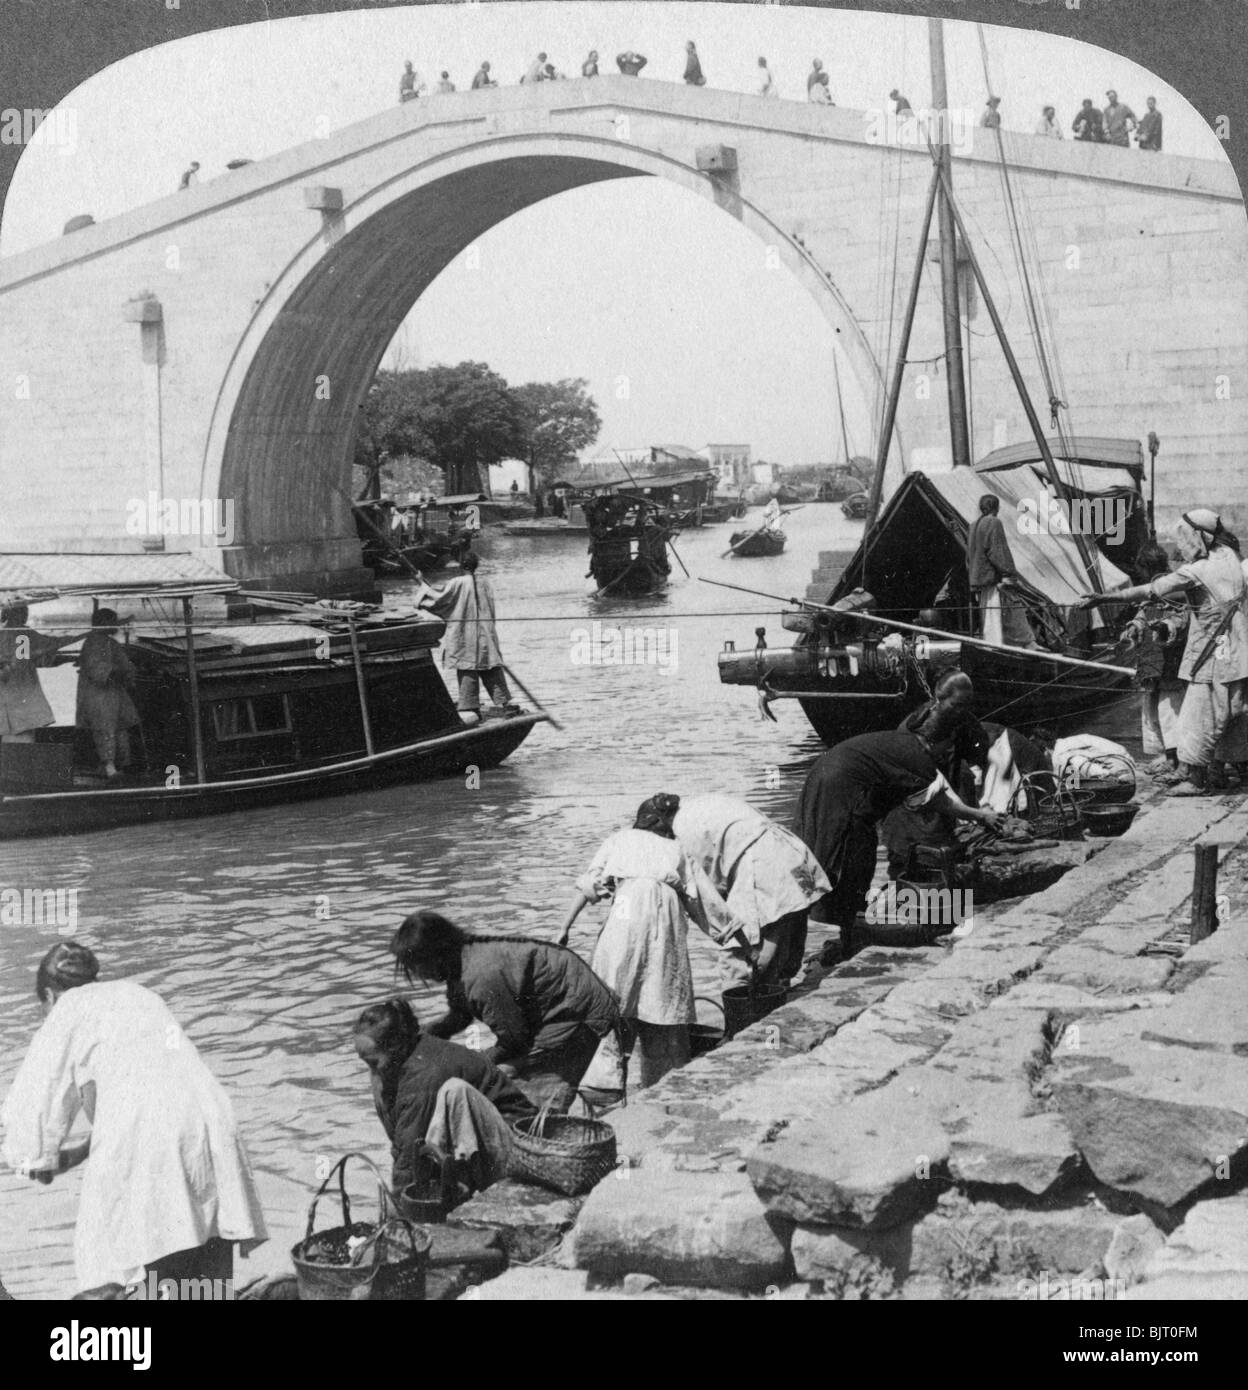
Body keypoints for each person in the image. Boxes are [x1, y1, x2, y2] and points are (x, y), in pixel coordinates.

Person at [2, 942, 267, 1298]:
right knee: (205, 1265)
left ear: (50, 995)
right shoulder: (140, 996)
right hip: (213, 1125)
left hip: (153, 1143)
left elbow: (34, 1102)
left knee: (116, 1259)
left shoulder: (68, 1009)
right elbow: (148, 1097)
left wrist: (35, 1161)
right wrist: (78, 1153)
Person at [557, 795, 749, 1088]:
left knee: (614, 999)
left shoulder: (619, 839)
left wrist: (563, 927)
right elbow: (704, 903)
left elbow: (589, 885)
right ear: (666, 822)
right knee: (662, 1003)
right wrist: (735, 938)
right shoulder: (676, 850)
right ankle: (659, 1083)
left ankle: (603, 1087)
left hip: (625, 919)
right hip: (664, 921)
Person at [1077, 510, 1248, 796]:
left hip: (1212, 651)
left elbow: (1151, 590)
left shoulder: (1197, 571)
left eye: (1184, 540)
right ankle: (1220, 772)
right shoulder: (1229, 556)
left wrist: (1106, 598)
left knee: (1199, 715)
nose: (1180, 549)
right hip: (1236, 648)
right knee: (1232, 712)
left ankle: (1196, 780)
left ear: (1198, 538)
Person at [794, 731, 1001, 960]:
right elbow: (940, 800)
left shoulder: (904, 743)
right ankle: (847, 937)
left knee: (829, 870)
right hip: (842, 803)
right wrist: (980, 816)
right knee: (839, 868)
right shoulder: (919, 758)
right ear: (945, 743)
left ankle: (843, 937)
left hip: (832, 790)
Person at [389, 911, 621, 1113]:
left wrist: (478, 1062)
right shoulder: (461, 961)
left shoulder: (480, 977)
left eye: (417, 967)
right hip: (557, 1012)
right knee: (493, 1078)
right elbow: (460, 1016)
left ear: (437, 954)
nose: (419, 976)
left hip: (580, 1015)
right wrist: (427, 1035)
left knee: (514, 1092)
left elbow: (515, 1040)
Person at [354, 998, 534, 1199]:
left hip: (518, 1147)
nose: (370, 1069)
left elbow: (410, 1149)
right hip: (487, 1138)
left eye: (372, 1062)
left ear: (396, 1047)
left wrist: (399, 1202)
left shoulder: (423, 1077)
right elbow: (401, 1141)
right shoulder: (405, 1054)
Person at [662, 793, 831, 988]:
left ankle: (749, 1013)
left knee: (738, 960)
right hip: (793, 853)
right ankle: (780, 993)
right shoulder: (700, 802)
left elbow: (706, 890)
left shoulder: (681, 831)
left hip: (762, 866)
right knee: (787, 933)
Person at [880, 671, 991, 879]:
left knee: (942, 862)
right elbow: (910, 783)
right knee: (907, 864)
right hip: (911, 804)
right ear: (939, 698)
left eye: (966, 705)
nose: (961, 711)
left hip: (941, 807)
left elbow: (977, 756)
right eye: (956, 705)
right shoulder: (913, 727)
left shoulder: (964, 721)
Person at [414, 553, 516, 725]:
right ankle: (506, 704)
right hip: (485, 633)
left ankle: (471, 706)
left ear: (462, 566)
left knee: (467, 668)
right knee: (490, 666)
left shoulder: (457, 583)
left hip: (465, 634)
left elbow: (438, 600)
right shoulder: (485, 584)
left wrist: (420, 583)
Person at [0, 603, 82, 745]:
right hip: (22, 690)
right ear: (17, 613)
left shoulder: (3, 633)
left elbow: (23, 658)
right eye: (24, 611)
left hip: (7, 690)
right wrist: (80, 636)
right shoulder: (21, 634)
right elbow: (24, 659)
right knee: (23, 732)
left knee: (10, 731)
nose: (26, 615)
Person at [967, 495, 1041, 649]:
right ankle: (1025, 642)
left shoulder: (973, 526)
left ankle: (998, 644)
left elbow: (970, 556)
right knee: (1011, 607)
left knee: (990, 617)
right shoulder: (993, 523)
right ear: (997, 507)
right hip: (993, 579)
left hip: (979, 580)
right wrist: (1008, 573)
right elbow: (998, 551)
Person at [75, 608, 141, 778]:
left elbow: (125, 665)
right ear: (103, 623)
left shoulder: (109, 642)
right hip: (98, 694)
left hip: (113, 692)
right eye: (112, 621)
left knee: (120, 727)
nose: (116, 625)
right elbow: (97, 670)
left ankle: (122, 765)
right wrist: (120, 672)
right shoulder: (93, 643)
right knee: (104, 728)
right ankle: (108, 766)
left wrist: (128, 672)